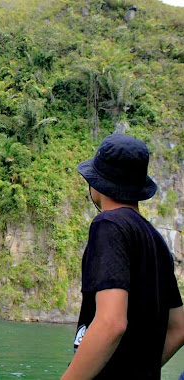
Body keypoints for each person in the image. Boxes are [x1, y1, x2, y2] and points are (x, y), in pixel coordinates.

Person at [62, 134, 184, 379]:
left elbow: (111, 323)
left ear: (96, 183)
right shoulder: (156, 239)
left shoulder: (108, 225)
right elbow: (179, 328)